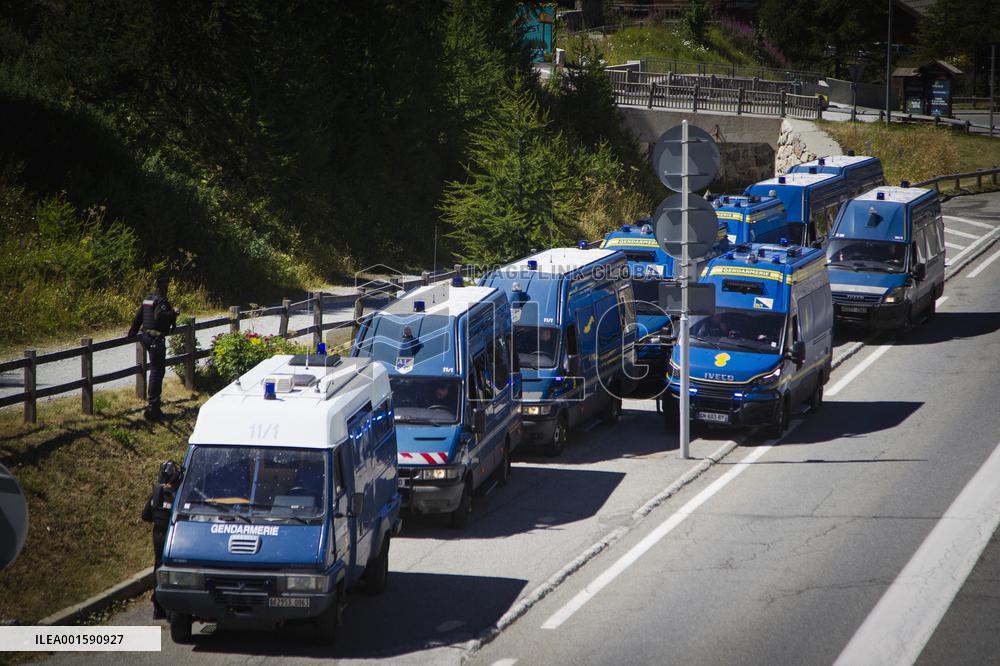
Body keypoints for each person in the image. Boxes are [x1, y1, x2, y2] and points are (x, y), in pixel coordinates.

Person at [128, 276, 178, 420]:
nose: (167, 288)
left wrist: (132, 332)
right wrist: (173, 313)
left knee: (155, 371)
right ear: (164, 286)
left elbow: (139, 316)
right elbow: (160, 317)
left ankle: (153, 406)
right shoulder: (161, 300)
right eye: (166, 285)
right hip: (156, 339)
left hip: (145, 337)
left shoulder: (148, 298)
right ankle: (153, 408)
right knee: (157, 372)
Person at [142, 460, 182, 620]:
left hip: (157, 536)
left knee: (157, 567)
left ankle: (157, 606)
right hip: (172, 536)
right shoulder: (178, 496)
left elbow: (145, 517)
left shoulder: (156, 494)